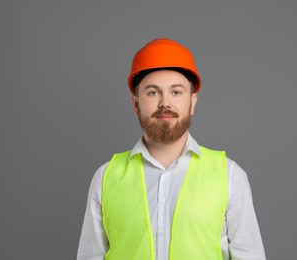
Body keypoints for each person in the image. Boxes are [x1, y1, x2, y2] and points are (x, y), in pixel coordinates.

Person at [77, 38, 266, 260]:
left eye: (176, 92)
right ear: (135, 103)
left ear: (192, 102)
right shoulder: (105, 177)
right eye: (153, 92)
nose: (165, 103)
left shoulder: (230, 175)